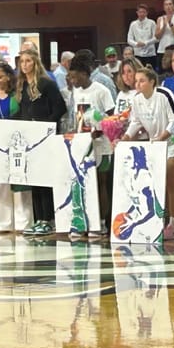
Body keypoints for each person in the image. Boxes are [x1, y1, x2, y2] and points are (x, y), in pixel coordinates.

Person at [120, 67, 174, 240]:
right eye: (136, 81)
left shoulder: (164, 95)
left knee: (171, 183)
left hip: (173, 143)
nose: (137, 84)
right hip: (153, 145)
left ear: (152, 82)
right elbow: (136, 122)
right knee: (154, 185)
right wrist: (125, 137)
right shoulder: (137, 99)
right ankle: (157, 219)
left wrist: (163, 137)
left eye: (142, 81)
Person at [15, 49, 67, 236]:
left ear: (35, 63)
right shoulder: (22, 86)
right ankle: (39, 219)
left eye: (28, 61)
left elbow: (60, 107)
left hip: (46, 138)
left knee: (45, 179)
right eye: (22, 62)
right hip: (30, 139)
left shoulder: (47, 84)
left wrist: (46, 127)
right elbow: (22, 112)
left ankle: (49, 218)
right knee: (34, 178)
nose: (25, 65)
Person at [67, 55, 115, 236]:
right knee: (84, 181)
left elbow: (112, 117)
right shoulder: (76, 92)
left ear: (84, 73)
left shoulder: (101, 91)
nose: (72, 80)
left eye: (75, 77)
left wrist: (100, 131)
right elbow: (77, 117)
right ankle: (85, 220)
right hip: (83, 143)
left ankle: (101, 222)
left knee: (101, 182)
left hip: (101, 144)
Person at [0, 62, 32, 234]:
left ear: (9, 76)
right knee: (0, 182)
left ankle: (23, 222)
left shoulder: (17, 94)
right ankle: (2, 223)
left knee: (19, 181)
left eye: (0, 77)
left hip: (17, 143)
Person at [127, 3, 157, 68]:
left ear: (147, 13)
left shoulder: (152, 23)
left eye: (143, 12)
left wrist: (146, 43)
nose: (142, 14)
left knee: (150, 74)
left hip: (150, 54)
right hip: (138, 54)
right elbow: (129, 39)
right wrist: (136, 43)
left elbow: (156, 38)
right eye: (140, 12)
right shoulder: (133, 24)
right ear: (137, 13)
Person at [155, 0, 174, 64]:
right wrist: (164, 26)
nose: (168, 6)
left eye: (170, 4)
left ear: (173, 6)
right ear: (164, 7)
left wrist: (170, 24)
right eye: (166, 4)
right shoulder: (160, 19)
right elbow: (157, 36)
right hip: (162, 50)